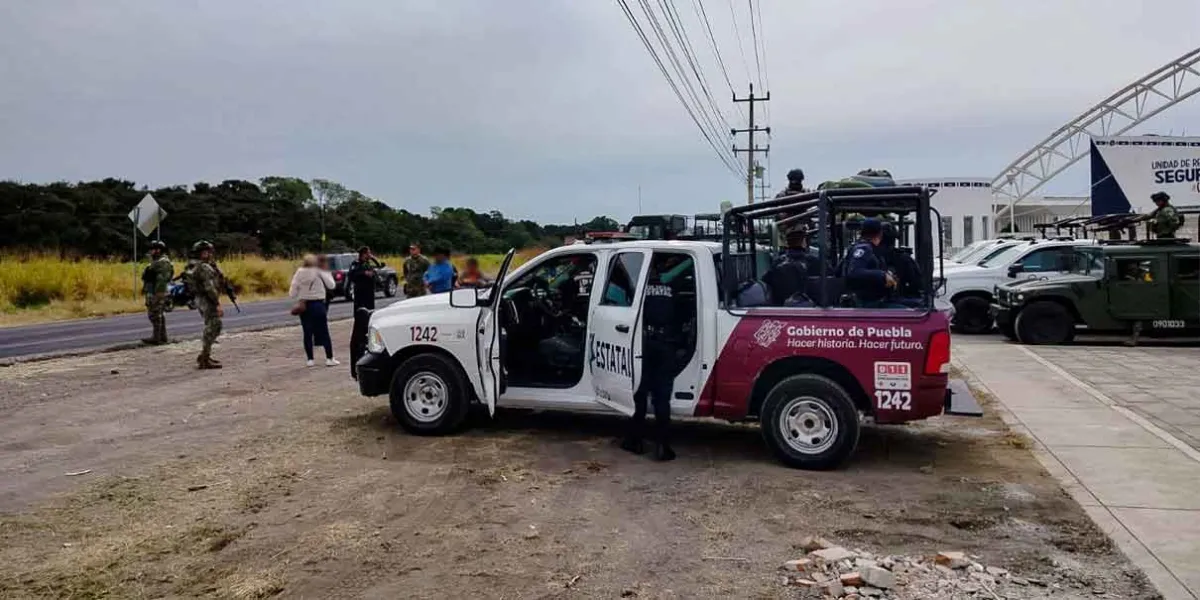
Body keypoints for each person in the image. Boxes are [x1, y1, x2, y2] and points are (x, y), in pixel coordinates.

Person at [621, 254, 693, 462]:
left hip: (642, 344)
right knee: (662, 397)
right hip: (666, 344)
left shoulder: (637, 287)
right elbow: (685, 315)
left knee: (639, 392)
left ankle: (635, 440)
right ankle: (663, 446)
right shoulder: (674, 286)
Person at [290, 254, 339, 367]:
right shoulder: (319, 271)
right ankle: (329, 358)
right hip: (318, 304)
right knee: (324, 331)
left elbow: (292, 293)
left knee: (307, 332)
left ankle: (310, 359)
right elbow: (331, 285)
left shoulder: (299, 272)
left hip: (304, 305)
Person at [844, 218, 898, 307]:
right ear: (880, 233)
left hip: (872, 302)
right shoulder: (863, 248)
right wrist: (883, 275)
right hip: (866, 304)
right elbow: (854, 272)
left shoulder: (870, 248)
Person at [189, 241, 225, 369]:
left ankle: (206, 356)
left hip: (200, 299)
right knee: (214, 326)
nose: (209, 254)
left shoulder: (198, 265)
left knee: (211, 326)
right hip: (207, 300)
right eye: (207, 252)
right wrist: (217, 303)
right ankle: (204, 357)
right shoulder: (204, 267)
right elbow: (209, 288)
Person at [141, 240, 174, 345]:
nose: (151, 252)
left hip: (158, 291)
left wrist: (159, 293)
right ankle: (162, 336)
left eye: (153, 249)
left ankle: (157, 337)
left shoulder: (163, 262)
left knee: (154, 314)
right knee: (158, 314)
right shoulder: (157, 261)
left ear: (159, 250)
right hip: (153, 289)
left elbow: (161, 279)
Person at [348, 246, 383, 310]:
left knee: (370, 310)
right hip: (361, 292)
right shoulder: (356, 263)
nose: (370, 255)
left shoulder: (367, 263)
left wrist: (373, 258)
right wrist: (364, 273)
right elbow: (352, 274)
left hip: (369, 291)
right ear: (364, 254)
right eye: (368, 253)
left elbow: (379, 265)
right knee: (361, 311)